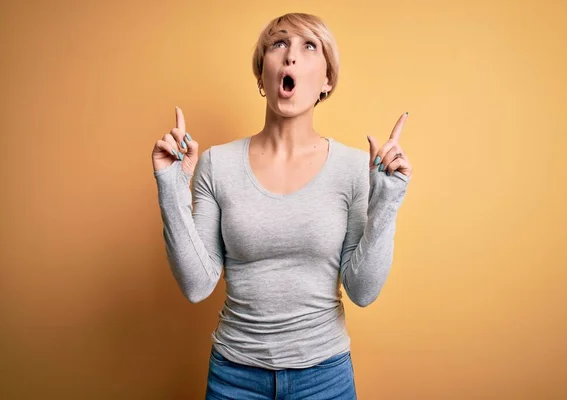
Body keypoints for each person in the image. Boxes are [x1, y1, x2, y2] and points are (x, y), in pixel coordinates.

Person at [151, 12, 412, 400]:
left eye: (309, 46)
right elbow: (196, 284)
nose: (291, 56)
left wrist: (387, 199)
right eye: (279, 44)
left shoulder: (354, 168)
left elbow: (363, 290)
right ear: (262, 75)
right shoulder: (217, 164)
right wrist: (171, 187)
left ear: (326, 80)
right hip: (234, 378)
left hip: (325, 378)